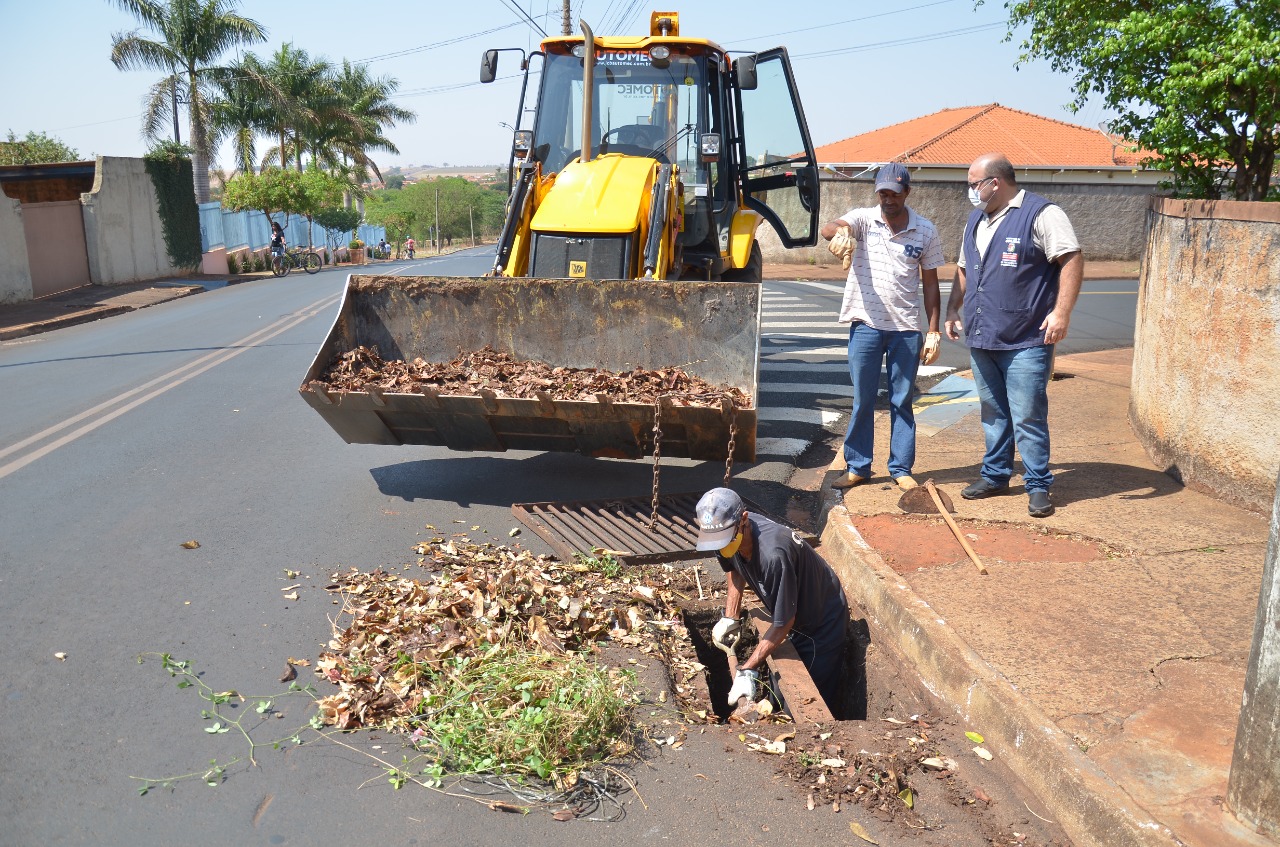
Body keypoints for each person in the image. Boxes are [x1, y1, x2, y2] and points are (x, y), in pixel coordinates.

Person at [944, 153, 1083, 518]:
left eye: (975, 183)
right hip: (982, 335)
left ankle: (1038, 485)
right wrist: (952, 308)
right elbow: (964, 268)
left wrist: (1062, 313)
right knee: (993, 413)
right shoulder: (976, 218)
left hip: (1025, 339)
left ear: (996, 182)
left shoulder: (1042, 214)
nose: (971, 191)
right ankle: (996, 475)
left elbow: (1071, 259)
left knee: (1027, 415)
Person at [819, 162, 944, 492]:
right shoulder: (863, 219)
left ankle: (901, 468)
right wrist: (840, 234)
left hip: (906, 329)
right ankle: (858, 466)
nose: (888, 199)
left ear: (907, 192)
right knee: (862, 399)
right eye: (883, 193)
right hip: (867, 326)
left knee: (902, 400)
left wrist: (933, 330)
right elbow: (830, 227)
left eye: (894, 193)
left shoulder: (925, 230)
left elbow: (930, 283)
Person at [695, 487, 848, 712]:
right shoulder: (722, 534)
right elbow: (734, 568)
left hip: (821, 622)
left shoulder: (773, 555)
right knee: (777, 689)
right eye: (715, 541)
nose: (720, 547)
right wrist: (731, 616)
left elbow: (783, 621)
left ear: (744, 520)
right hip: (792, 610)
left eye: (724, 540)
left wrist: (747, 669)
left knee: (806, 704)